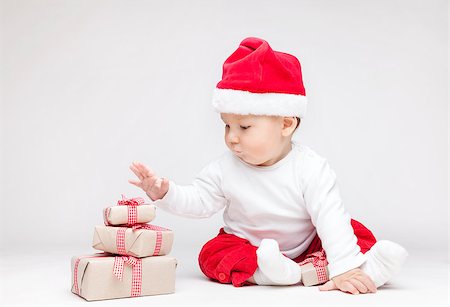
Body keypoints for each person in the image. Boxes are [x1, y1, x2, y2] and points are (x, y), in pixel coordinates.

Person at [129, 37, 408, 294]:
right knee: (213, 253)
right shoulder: (224, 168)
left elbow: (329, 216)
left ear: (286, 124)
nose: (232, 137)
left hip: (306, 245)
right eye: (227, 125)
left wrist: (345, 265)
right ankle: (272, 273)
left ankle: (358, 270)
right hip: (249, 246)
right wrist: (164, 192)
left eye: (244, 126)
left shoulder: (309, 167)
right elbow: (199, 201)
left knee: (351, 230)